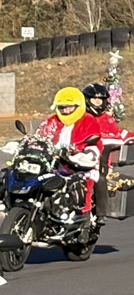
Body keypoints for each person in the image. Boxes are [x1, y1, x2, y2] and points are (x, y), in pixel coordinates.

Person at [36, 87, 103, 224]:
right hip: (52, 162)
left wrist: (81, 154)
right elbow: (40, 136)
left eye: (69, 107)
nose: (65, 110)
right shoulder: (52, 121)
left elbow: (94, 144)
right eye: (62, 107)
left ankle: (85, 216)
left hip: (78, 164)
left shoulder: (88, 121)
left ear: (78, 106)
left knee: (86, 182)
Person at [81, 83, 134, 223]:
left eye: (100, 100)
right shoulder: (80, 117)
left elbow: (114, 137)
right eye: (94, 99)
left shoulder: (106, 119)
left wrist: (100, 141)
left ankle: (101, 212)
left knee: (99, 177)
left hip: (99, 158)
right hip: (77, 154)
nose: (97, 102)